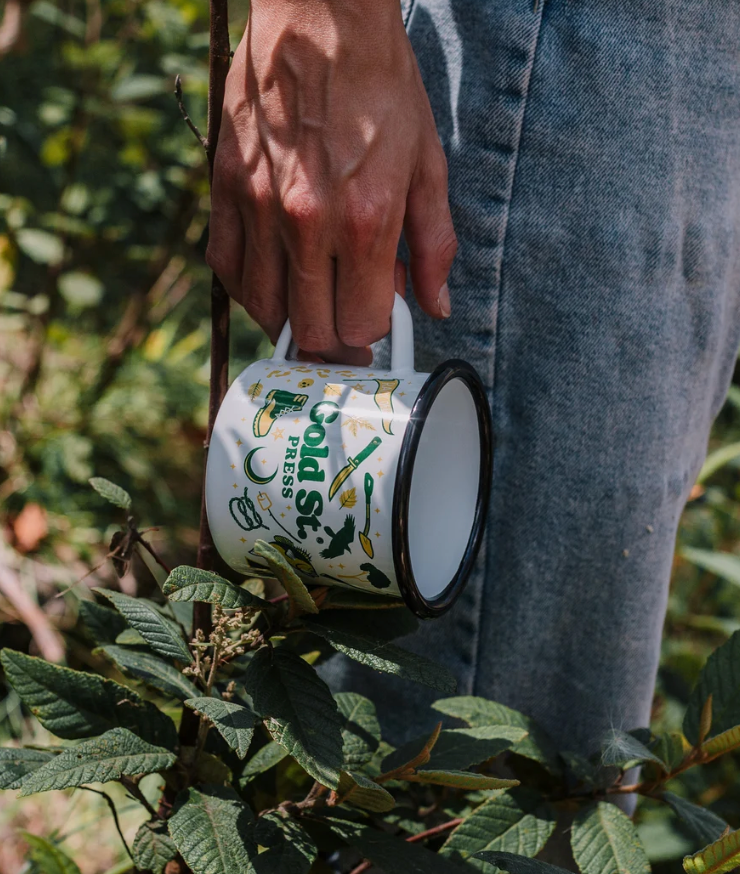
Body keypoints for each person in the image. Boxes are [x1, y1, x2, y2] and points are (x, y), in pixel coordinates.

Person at [206, 0, 740, 753]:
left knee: (560, 729)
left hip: (693, 74)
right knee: (494, 772)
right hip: (564, 60)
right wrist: (320, 26)